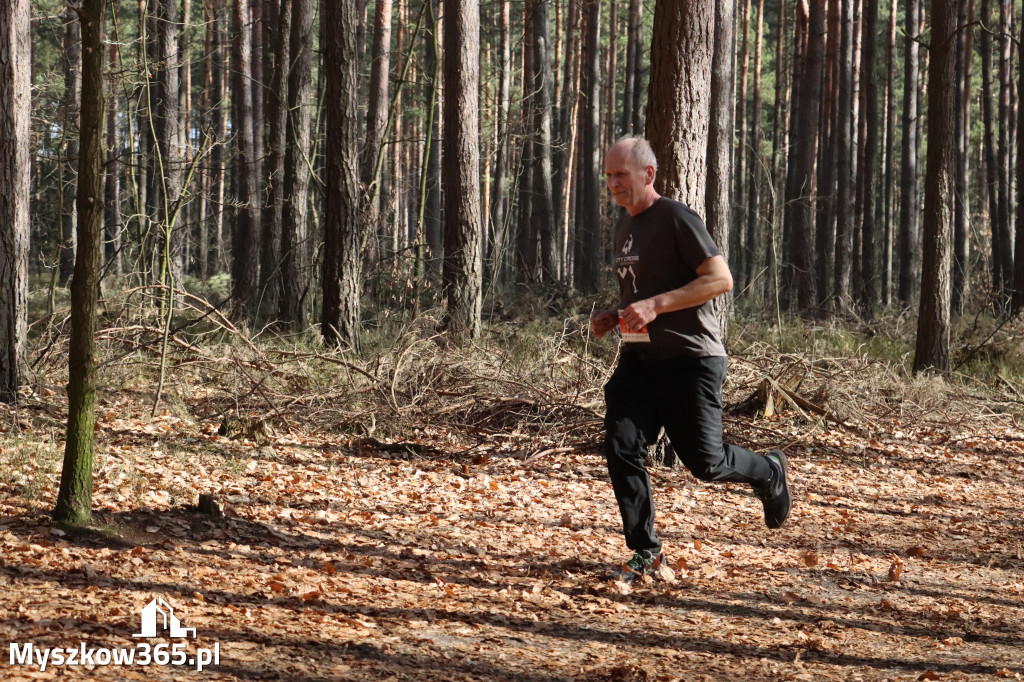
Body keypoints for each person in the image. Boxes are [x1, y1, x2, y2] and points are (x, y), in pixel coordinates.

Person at [590, 136, 792, 583]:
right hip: (640, 362)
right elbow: (642, 298)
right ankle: (646, 551)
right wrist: (614, 316)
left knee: (706, 463)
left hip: (691, 360)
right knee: (622, 445)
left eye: (620, 174)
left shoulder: (675, 217)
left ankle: (769, 470)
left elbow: (720, 279)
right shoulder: (625, 228)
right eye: (608, 175)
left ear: (648, 174)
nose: (613, 184)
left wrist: (657, 306)